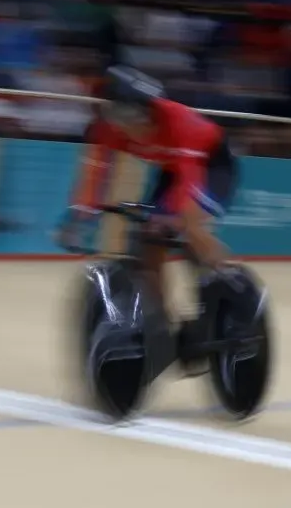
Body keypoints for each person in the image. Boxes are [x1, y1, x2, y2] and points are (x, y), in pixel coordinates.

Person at [58, 64, 238, 375]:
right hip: (173, 171)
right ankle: (162, 326)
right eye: (135, 116)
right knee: (148, 244)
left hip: (211, 166)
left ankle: (226, 289)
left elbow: (188, 180)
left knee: (189, 226)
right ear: (114, 113)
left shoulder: (177, 120)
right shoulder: (107, 129)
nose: (144, 122)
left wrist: (177, 220)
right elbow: (96, 173)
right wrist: (79, 216)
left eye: (148, 113)